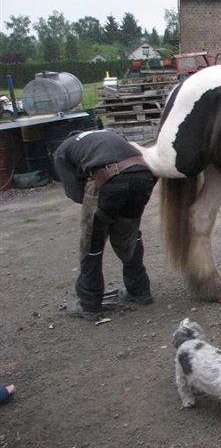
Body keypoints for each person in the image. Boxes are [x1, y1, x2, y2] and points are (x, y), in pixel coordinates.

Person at [54, 129, 158, 321]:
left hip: (109, 179)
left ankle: (90, 305)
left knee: (92, 241)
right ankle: (140, 291)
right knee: (130, 235)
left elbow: (76, 194)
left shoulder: (62, 151)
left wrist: (103, 212)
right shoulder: (111, 134)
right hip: (144, 175)